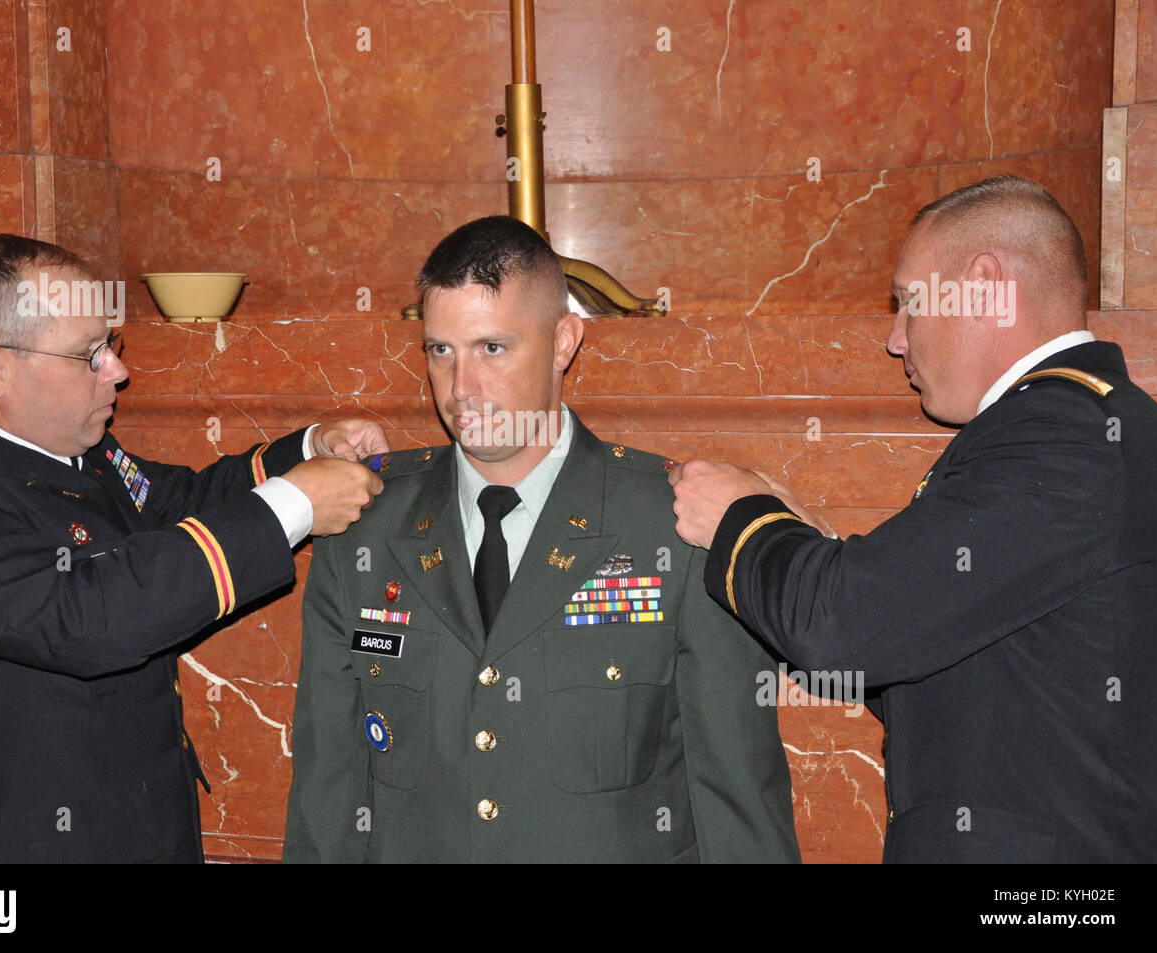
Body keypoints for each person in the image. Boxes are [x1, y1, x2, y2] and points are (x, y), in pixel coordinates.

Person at [671, 175, 1157, 862]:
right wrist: (816, 550)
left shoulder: (1063, 432)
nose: (895, 339)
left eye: (908, 303)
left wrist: (738, 517)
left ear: (985, 285)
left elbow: (843, 626)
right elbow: (942, 667)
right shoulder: (1092, 426)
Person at [283, 216, 798, 863]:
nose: (460, 387)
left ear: (563, 342)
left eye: (492, 348)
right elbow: (327, 792)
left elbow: (738, 803)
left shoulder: (675, 525)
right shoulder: (365, 528)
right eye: (440, 350)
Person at [0, 233, 387, 862]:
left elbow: (178, 503)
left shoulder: (78, 452)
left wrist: (304, 451)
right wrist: (293, 505)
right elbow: (86, 620)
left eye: (111, 344)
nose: (118, 370)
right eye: (89, 355)